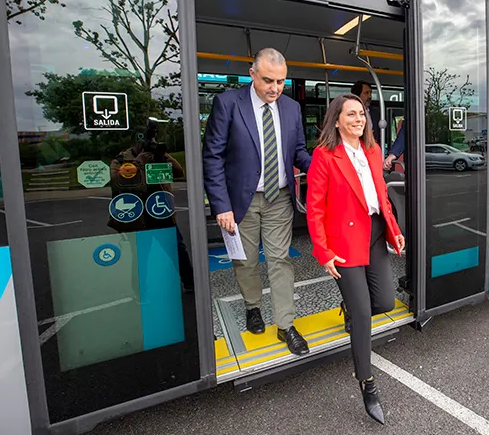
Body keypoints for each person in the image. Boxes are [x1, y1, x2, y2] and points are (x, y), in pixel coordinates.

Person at [202, 48, 312, 355]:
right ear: (252, 74)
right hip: (241, 202)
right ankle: (252, 306)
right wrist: (221, 205)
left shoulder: (291, 108)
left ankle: (286, 325)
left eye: (280, 81)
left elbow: (299, 152)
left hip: (279, 197)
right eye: (268, 80)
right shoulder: (228, 104)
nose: (275, 88)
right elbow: (212, 157)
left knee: (280, 260)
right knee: (246, 261)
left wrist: (321, 168)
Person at [305, 94, 405, 425]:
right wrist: (323, 251)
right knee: (363, 316)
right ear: (336, 120)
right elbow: (315, 208)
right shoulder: (325, 155)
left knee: (387, 302)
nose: (359, 119)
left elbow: (381, 196)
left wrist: (394, 230)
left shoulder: (373, 152)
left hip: (376, 234)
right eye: (351, 114)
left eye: (361, 114)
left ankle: (351, 308)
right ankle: (368, 383)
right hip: (344, 241)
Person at [109, 126, 194, 293]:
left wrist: (162, 155)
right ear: (134, 142)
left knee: (177, 248)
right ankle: (140, 290)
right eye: (145, 141)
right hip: (139, 215)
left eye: (152, 141)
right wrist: (139, 162)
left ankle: (190, 282)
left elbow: (178, 172)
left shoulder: (158, 156)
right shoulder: (120, 160)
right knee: (141, 254)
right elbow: (117, 181)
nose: (148, 145)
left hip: (161, 212)